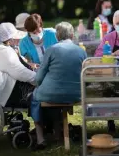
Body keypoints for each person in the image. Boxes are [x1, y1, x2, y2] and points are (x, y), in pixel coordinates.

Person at [30, 22, 87, 150]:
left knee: (34, 98)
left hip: (51, 93)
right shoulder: (81, 51)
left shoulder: (51, 50)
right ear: (72, 35)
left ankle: (40, 138)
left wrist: (39, 86)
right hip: (76, 94)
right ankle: (57, 133)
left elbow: (38, 78)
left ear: (57, 36)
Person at [0, 22, 36, 108]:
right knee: (42, 96)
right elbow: (20, 73)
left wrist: (28, 64)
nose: (19, 40)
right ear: (10, 40)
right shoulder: (5, 52)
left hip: (5, 87)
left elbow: (13, 66)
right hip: (8, 94)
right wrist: (39, 78)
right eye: (16, 38)